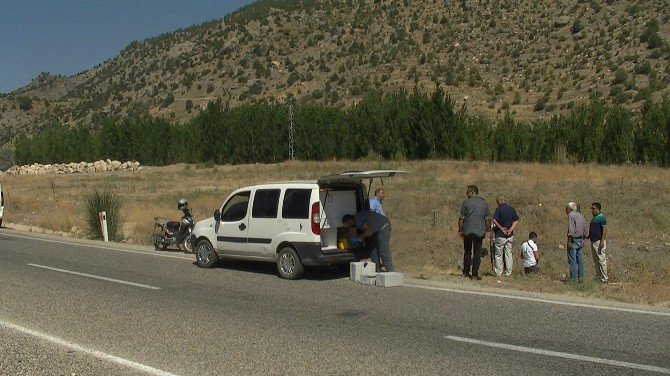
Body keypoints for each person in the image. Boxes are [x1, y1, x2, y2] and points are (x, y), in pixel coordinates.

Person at [458, 185, 491, 280]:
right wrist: (487, 230)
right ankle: (475, 274)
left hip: (467, 231)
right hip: (479, 232)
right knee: (477, 253)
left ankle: (466, 272)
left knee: (467, 251)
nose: (466, 193)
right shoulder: (484, 203)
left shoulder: (466, 202)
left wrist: (460, 230)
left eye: (467, 192)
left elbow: (461, 218)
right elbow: (488, 219)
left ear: (472, 192)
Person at [492, 195, 519, 277]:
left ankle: (498, 272)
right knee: (508, 253)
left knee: (498, 254)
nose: (497, 203)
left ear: (500, 200)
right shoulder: (511, 209)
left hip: (500, 235)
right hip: (510, 235)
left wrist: (501, 228)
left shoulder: (499, 209)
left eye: (497, 201)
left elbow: (494, 220)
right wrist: (510, 229)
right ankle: (508, 272)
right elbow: (516, 220)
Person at [565, 202, 587, 282]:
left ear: (570, 209)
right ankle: (581, 278)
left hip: (574, 240)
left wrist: (569, 241)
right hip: (580, 239)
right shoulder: (581, 215)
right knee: (580, 259)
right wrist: (583, 239)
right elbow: (585, 228)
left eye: (566, 208)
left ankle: (573, 279)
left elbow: (571, 229)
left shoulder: (571, 215)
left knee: (572, 260)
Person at [589, 202, 608, 283]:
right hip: (593, 241)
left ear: (597, 209)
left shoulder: (601, 218)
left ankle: (604, 278)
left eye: (593, 208)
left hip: (598, 241)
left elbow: (605, 229)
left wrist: (602, 240)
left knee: (601, 259)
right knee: (596, 260)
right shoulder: (594, 218)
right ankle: (598, 277)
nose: (591, 210)